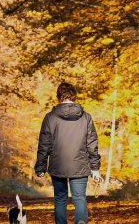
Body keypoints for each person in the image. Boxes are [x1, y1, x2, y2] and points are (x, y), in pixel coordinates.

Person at [35, 82, 102, 224]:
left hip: (58, 165)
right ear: (74, 96)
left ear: (59, 96)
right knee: (79, 198)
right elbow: (92, 144)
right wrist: (95, 168)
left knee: (60, 198)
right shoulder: (86, 117)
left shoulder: (50, 117)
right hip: (80, 165)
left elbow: (44, 144)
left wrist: (41, 166)